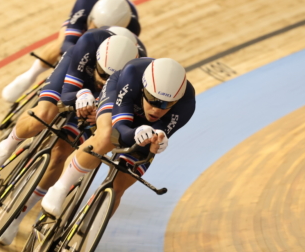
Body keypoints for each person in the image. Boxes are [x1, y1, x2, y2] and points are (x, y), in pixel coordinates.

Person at [0, 30, 139, 245]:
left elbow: (120, 112)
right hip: (75, 82)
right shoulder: (89, 43)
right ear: (98, 58)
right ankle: (6, 147)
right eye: (101, 74)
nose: (103, 82)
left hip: (103, 102)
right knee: (43, 115)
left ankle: (17, 215)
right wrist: (81, 94)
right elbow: (66, 94)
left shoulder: (136, 73)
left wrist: (99, 114)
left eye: (110, 78)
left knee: (61, 153)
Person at [41, 57, 196, 217]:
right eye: (153, 100)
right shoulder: (132, 72)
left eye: (166, 104)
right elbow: (120, 127)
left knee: (119, 185)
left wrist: (158, 141)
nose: (157, 110)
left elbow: (159, 133)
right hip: (119, 98)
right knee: (107, 135)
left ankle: (87, 236)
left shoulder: (187, 104)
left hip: (145, 123)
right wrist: (135, 132)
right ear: (143, 88)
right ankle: (60, 187)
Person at [2, 0, 141, 103]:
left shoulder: (131, 30)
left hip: (116, 33)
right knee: (61, 44)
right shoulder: (85, 2)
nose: (95, 32)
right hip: (88, 9)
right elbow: (67, 43)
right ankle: (31, 75)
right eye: (94, 27)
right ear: (91, 18)